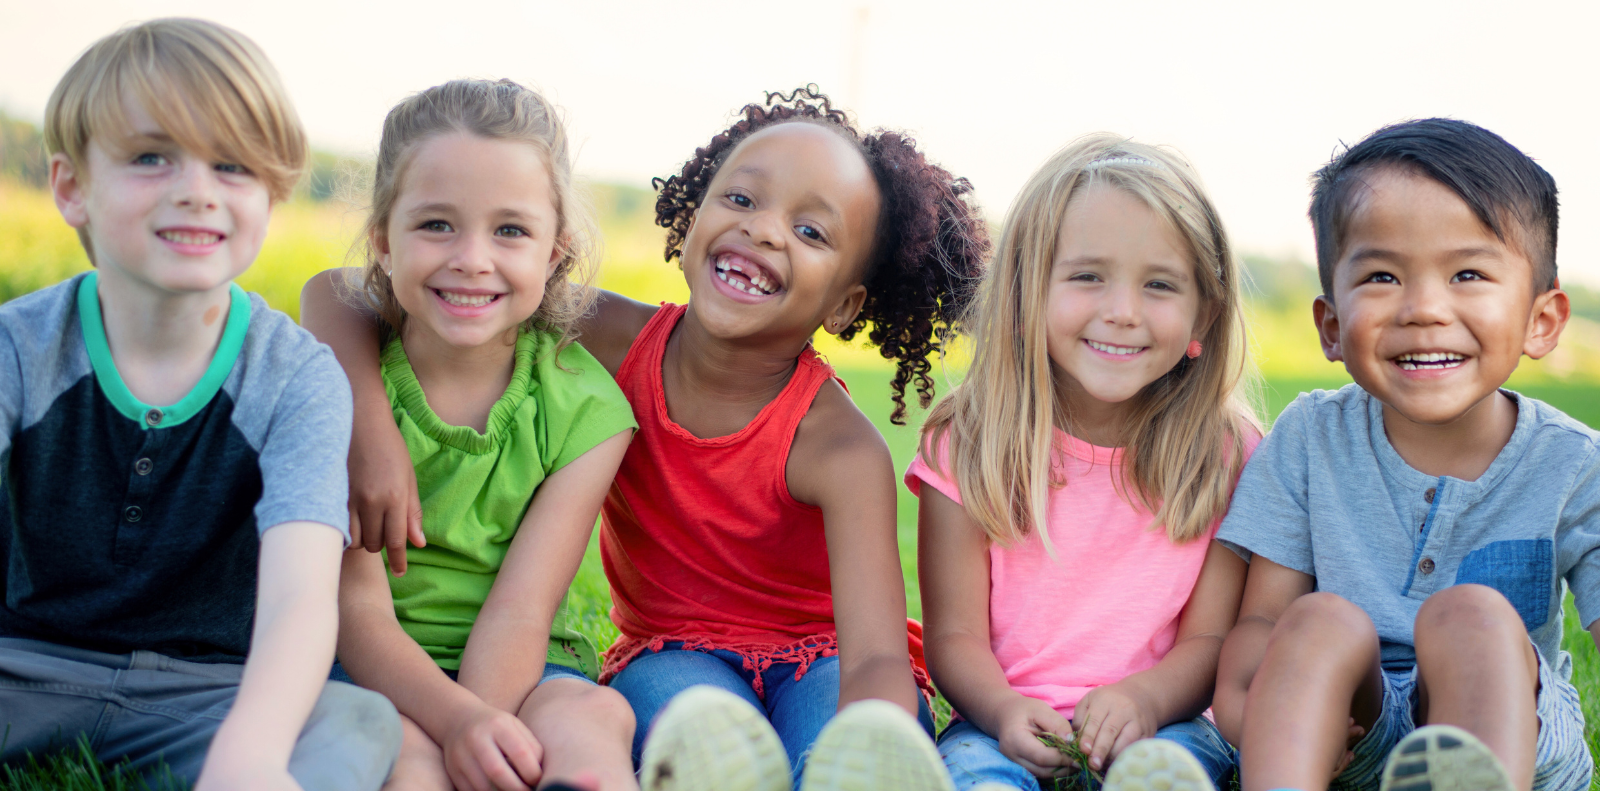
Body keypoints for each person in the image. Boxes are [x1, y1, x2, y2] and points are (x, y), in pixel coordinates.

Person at [302, 86, 990, 791]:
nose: (764, 232)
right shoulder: (608, 335)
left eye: (811, 232)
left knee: (832, 749)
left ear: (845, 305)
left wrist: (868, 733)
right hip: (672, 649)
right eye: (743, 200)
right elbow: (339, 288)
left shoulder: (842, 446)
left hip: (822, 654)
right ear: (693, 221)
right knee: (692, 730)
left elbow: (874, 654)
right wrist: (365, 420)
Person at [0, 18, 400, 791]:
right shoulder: (19, 346)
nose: (196, 190)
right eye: (151, 157)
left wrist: (250, 753)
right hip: (21, 666)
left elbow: (297, 598)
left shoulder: (297, 376)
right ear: (71, 187)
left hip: (206, 692)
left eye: (231, 166)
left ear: (271, 194)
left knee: (359, 721)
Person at [1212, 118, 1594, 791]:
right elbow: (1262, 621)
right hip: (1351, 731)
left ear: (1541, 321)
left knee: (1470, 614)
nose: (1423, 308)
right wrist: (1247, 717)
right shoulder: (1309, 437)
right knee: (1316, 619)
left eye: (1468, 273)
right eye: (1384, 275)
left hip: (1515, 728)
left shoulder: (1572, 462)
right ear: (1332, 324)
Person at [301, 79, 640, 791]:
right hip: (365, 665)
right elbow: (356, 608)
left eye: (510, 230)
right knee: (409, 758)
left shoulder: (587, 411)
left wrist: (484, 724)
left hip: (521, 663)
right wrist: (455, 725)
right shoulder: (334, 386)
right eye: (436, 225)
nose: (472, 259)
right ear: (384, 244)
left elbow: (523, 606)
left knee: (590, 713)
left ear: (555, 254)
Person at [911, 136, 1261, 791]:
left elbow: (1209, 642)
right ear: (1023, 295)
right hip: (997, 723)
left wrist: (1147, 700)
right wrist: (1005, 709)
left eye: (1159, 285)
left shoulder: (1227, 455)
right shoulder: (968, 438)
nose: (1122, 311)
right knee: (976, 780)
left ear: (1203, 316)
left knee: (1167, 776)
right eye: (1087, 276)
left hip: (1167, 725)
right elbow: (953, 637)